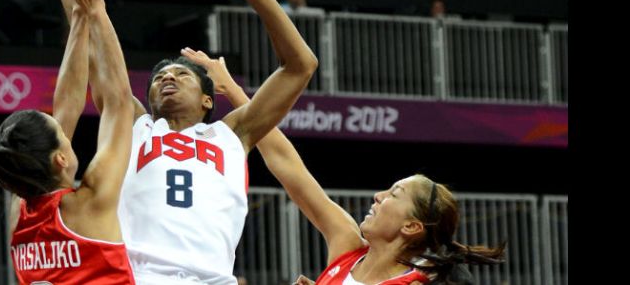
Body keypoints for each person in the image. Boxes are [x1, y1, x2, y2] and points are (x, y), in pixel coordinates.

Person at [16, 0, 319, 285]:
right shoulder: (135, 124)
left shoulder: (234, 133)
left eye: (182, 74)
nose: (168, 77)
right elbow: (86, 33)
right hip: (138, 277)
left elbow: (300, 66)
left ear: (209, 100)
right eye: (159, 77)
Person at [180, 49, 505, 285]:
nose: (378, 196)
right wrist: (233, 90)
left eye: (394, 194)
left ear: (411, 226)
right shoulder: (347, 245)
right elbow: (287, 163)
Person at [0, 0, 136, 284]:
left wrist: (80, 16)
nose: (64, 124)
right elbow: (118, 102)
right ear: (59, 158)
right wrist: (96, 8)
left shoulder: (20, 214)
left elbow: (68, 105)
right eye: (61, 133)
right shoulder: (89, 204)